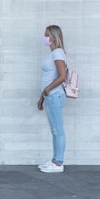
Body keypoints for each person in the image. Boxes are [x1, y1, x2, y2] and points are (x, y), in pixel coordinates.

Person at [37, 25, 68, 173]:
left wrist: (48, 90)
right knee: (55, 130)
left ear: (54, 37)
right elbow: (48, 77)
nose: (45, 37)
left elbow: (62, 76)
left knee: (58, 130)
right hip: (50, 96)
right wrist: (42, 97)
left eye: (47, 35)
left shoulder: (58, 53)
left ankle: (58, 163)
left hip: (54, 95)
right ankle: (55, 160)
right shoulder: (53, 53)